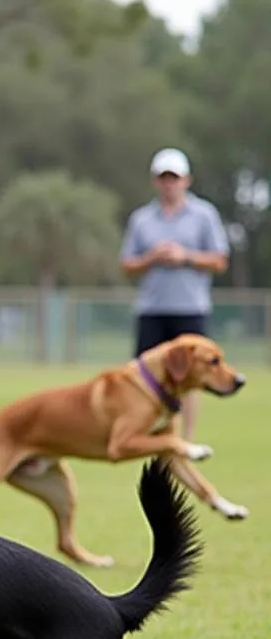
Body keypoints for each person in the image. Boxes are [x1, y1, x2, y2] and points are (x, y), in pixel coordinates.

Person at [120, 147, 229, 440]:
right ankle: (146, 433)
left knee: (192, 377)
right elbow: (127, 265)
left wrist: (185, 258)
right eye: (164, 178)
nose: (169, 184)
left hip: (190, 308)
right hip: (152, 308)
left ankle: (184, 440)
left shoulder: (204, 215)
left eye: (175, 178)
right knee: (143, 375)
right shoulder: (142, 219)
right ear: (156, 181)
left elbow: (219, 260)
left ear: (187, 180)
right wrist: (152, 258)